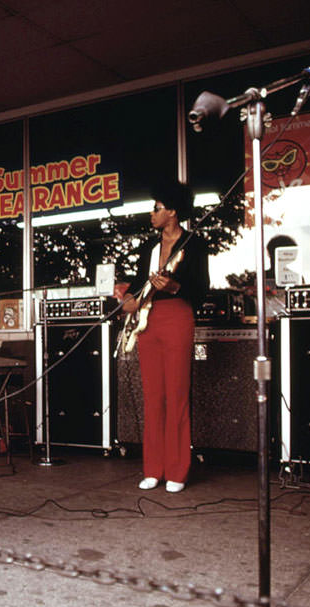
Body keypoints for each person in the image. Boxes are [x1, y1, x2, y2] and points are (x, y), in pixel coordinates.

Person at [121, 181, 209, 493]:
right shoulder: (149, 247)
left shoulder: (194, 244)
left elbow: (202, 289)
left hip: (177, 317)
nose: (152, 213)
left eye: (157, 208)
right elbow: (136, 284)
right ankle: (153, 468)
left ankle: (177, 470)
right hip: (149, 320)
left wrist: (174, 287)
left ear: (172, 212)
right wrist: (128, 299)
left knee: (176, 395)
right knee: (153, 396)